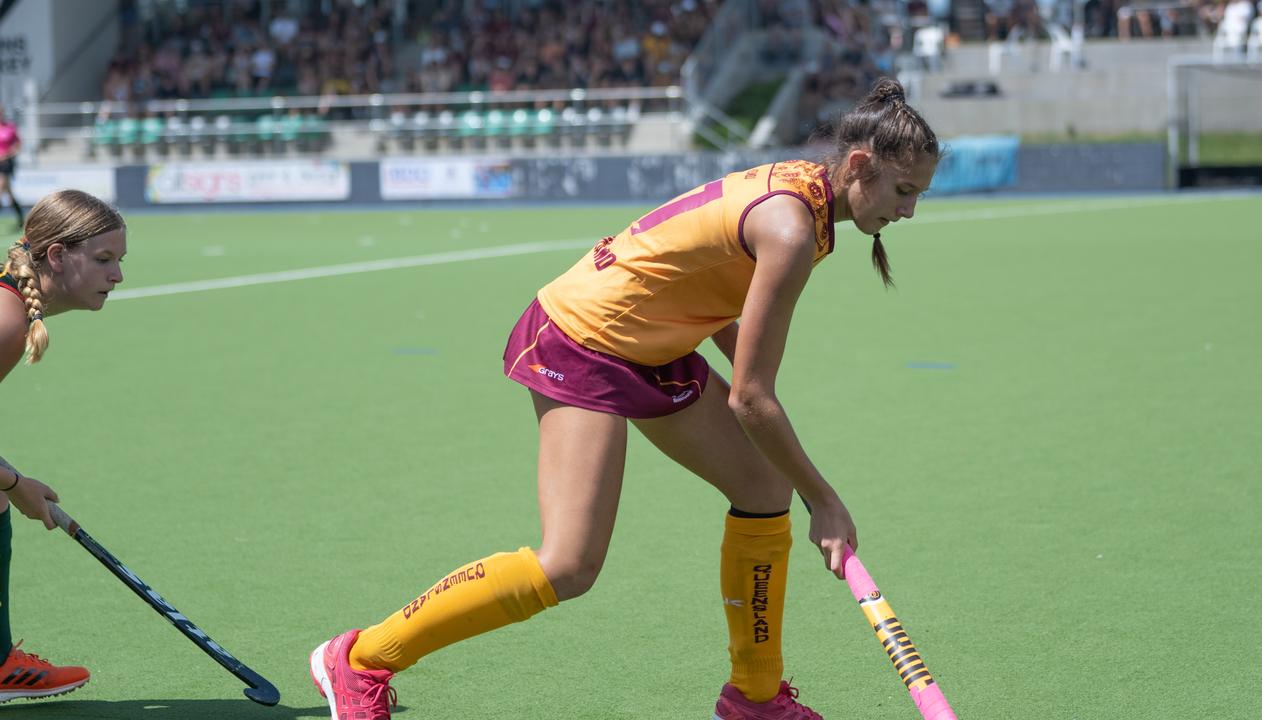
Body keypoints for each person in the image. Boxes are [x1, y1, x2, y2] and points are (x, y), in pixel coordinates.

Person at [309, 78, 939, 720]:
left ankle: (755, 699)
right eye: (904, 191)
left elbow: (707, 281)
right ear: (860, 165)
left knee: (764, 490)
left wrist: (782, 447)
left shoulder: (806, 191)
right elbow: (750, 399)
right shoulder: (791, 226)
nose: (909, 211)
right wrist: (826, 501)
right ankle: (361, 657)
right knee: (569, 563)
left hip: (651, 344)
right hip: (581, 340)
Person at [0, 189, 127, 706]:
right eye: (105, 259)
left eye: (120, 261)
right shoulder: (2, 319)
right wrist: (18, 485)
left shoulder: (4, 294)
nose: (118, 276)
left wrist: (6, 481)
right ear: (58, 256)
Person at [0, 103, 24, 232]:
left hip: (7, 164)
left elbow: (18, 145)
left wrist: (7, 154)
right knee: (8, 193)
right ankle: (21, 220)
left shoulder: (10, 127)